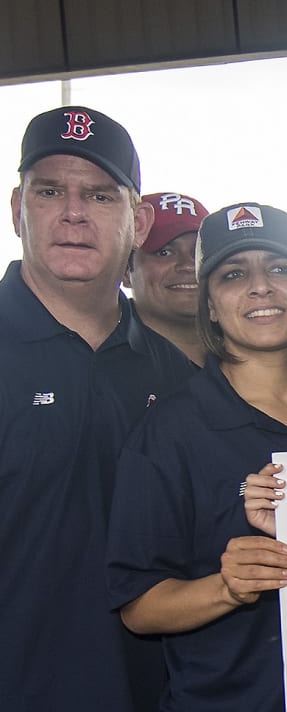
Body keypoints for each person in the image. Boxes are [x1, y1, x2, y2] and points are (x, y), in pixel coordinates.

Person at [106, 202, 287, 711]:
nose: (260, 286)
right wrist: (226, 588)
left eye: (279, 268)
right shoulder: (169, 432)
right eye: (232, 274)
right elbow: (139, 606)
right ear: (208, 305)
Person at [1, 106, 194, 711]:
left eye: (100, 195)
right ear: (17, 210)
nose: (74, 213)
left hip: (157, 696)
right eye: (50, 190)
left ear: (138, 222)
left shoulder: (181, 378)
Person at [127, 191, 209, 364]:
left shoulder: (257, 353)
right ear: (125, 272)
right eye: (164, 252)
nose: (188, 265)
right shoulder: (99, 362)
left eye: (198, 252)